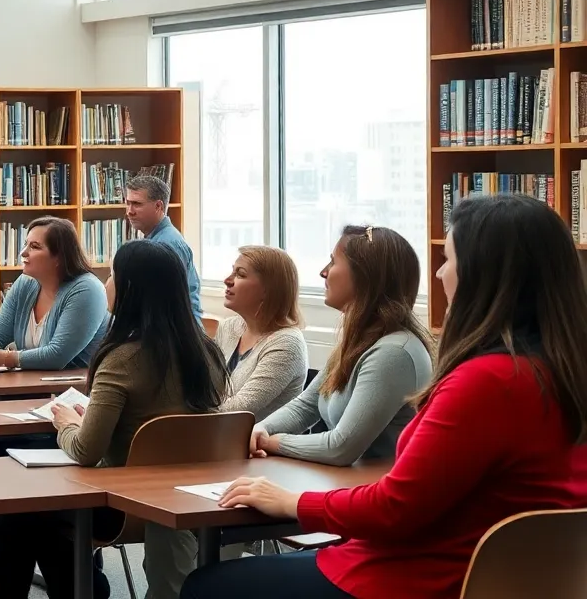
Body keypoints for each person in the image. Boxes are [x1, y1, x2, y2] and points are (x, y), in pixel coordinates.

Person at [182, 193, 587, 599]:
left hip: (419, 576)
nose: (441, 273)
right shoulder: (558, 373)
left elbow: (394, 507)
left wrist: (292, 501)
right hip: (505, 578)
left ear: (484, 274)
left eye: (448, 259)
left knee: (206, 586)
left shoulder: (483, 382)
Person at [0, 240, 228, 599]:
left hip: (121, 504)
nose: (106, 284)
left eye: (114, 275)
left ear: (131, 288)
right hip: (187, 498)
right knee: (42, 524)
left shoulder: (122, 358)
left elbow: (86, 451)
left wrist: (67, 422)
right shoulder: (206, 352)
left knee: (20, 513)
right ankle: (89, 588)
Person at [249, 225, 433, 466]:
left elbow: (340, 448)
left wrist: (273, 442)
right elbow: (308, 405)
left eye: (333, 262)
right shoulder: (361, 341)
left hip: (374, 494)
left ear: (364, 275)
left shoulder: (394, 353)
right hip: (346, 486)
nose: (323, 273)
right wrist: (260, 430)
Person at [0, 216, 109, 371]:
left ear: (59, 257)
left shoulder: (87, 290)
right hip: (32, 384)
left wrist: (5, 358)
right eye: (26, 245)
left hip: (78, 389)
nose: (23, 253)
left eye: (35, 246)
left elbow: (57, 356)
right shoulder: (25, 282)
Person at [215, 246, 309, 421]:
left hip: (259, 446)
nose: (227, 280)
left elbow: (238, 409)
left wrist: (184, 409)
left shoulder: (287, 343)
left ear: (268, 289)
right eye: (232, 272)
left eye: (240, 274)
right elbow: (206, 387)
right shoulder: (228, 327)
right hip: (218, 436)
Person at [124, 174, 201, 323]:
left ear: (158, 206)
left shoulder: (168, 244)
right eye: (128, 203)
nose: (129, 211)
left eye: (137, 204)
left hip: (176, 337)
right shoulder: (153, 239)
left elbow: (166, 303)